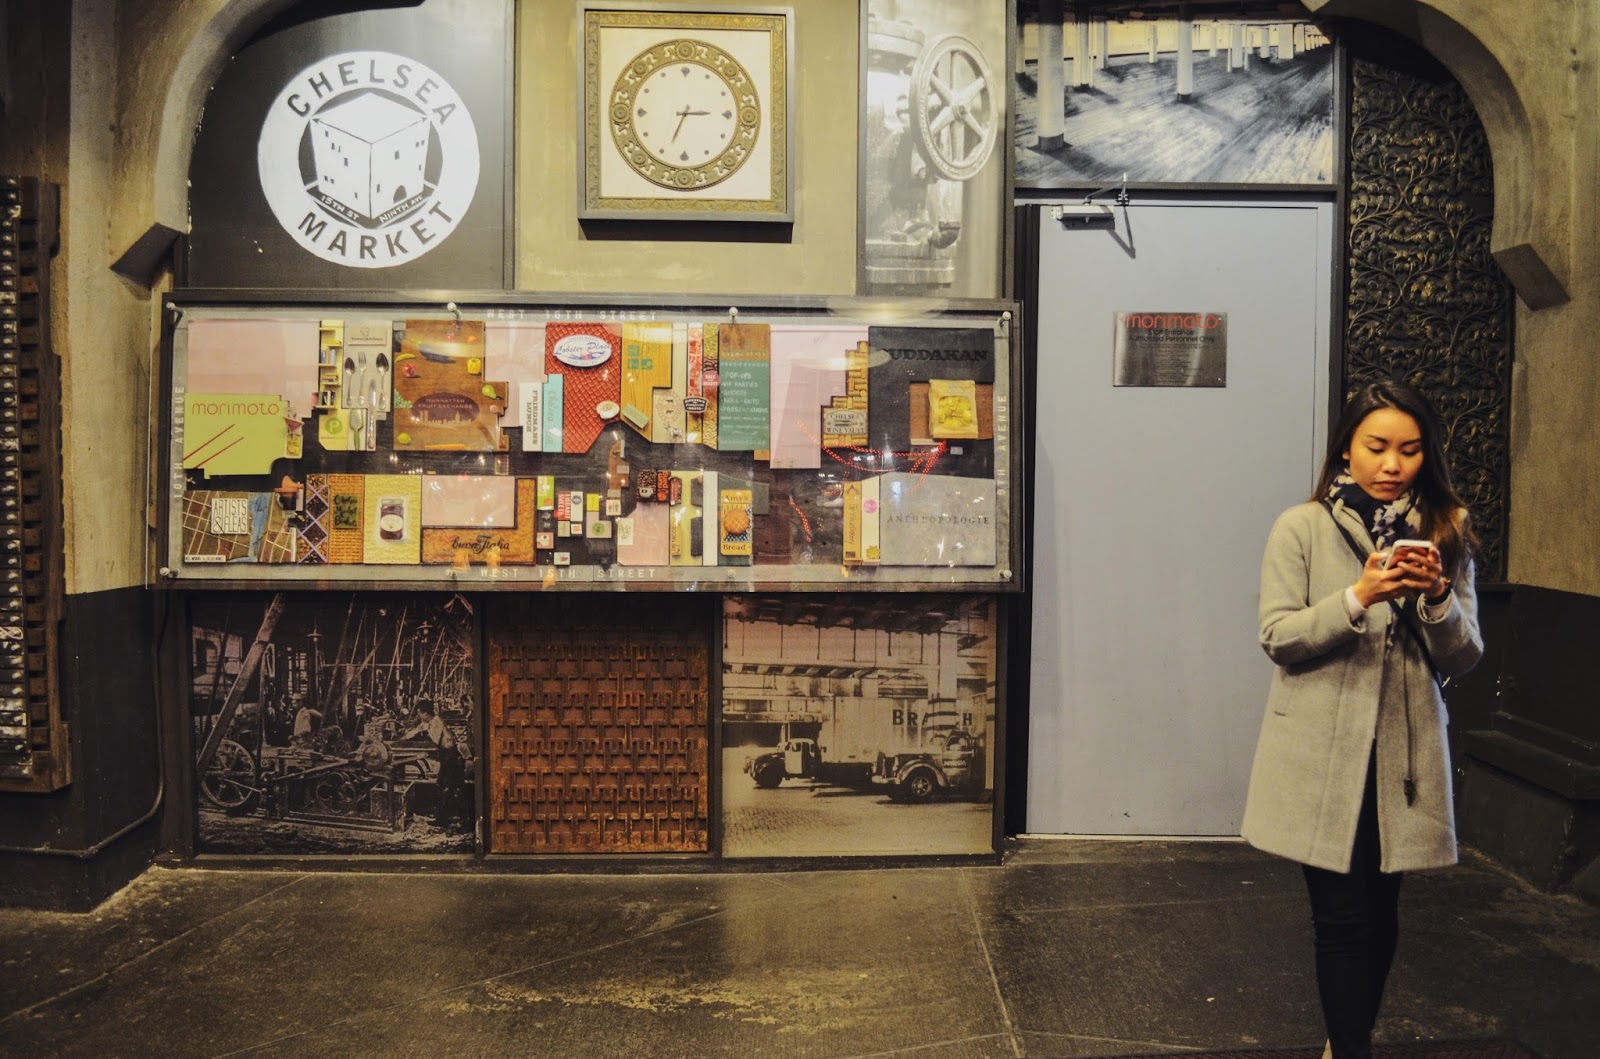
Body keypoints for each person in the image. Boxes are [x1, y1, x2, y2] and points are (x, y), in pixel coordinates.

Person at [1241, 380, 1483, 1059]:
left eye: (1410, 449)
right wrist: (1358, 596)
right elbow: (1277, 635)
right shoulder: (1301, 526)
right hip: (1322, 749)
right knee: (1342, 918)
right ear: (1346, 447)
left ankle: (1345, 1040)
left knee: (1381, 914)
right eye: (1377, 446)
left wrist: (1437, 596)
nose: (1392, 464)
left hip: (1404, 756)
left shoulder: (1447, 528)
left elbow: (1465, 657)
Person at [403, 698, 466, 830]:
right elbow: (418, 729)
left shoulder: (437, 722)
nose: (419, 717)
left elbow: (433, 742)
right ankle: (445, 818)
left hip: (452, 758)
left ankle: (457, 820)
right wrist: (408, 736)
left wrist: (418, 736)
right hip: (448, 757)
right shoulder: (432, 721)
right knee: (444, 786)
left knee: (449, 788)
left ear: (425, 713)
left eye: (419, 714)